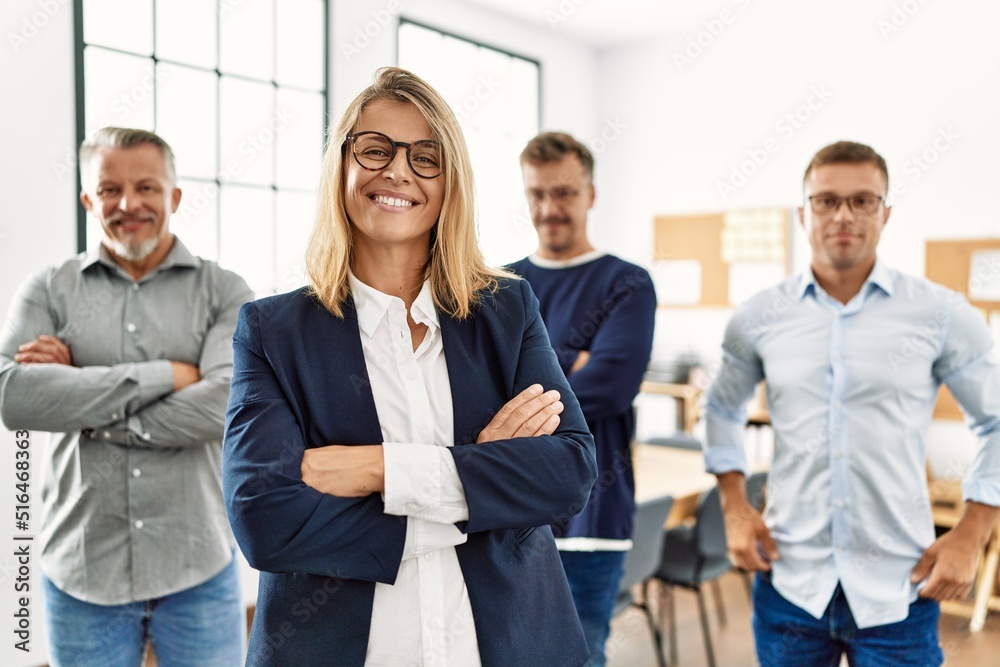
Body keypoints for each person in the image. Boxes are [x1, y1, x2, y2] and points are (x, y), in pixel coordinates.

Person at [222, 67, 598, 667]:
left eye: (426, 156)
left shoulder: (506, 309)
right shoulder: (273, 331)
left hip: (510, 646)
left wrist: (378, 469)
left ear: (451, 183)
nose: (397, 170)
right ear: (341, 165)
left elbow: (568, 473)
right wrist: (480, 477)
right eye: (375, 149)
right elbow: (264, 519)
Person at [704, 140, 1000, 666]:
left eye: (862, 200)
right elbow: (723, 409)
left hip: (900, 588)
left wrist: (972, 532)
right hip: (789, 582)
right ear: (804, 213)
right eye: (826, 200)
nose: (843, 214)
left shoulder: (941, 314)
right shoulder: (758, 315)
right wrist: (734, 507)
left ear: (885, 213)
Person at [0, 127, 253, 666]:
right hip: (82, 569)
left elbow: (225, 404)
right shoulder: (47, 289)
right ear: (89, 199)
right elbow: (14, 397)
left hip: (198, 566)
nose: (128, 204)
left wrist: (82, 399)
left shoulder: (225, 291)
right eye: (110, 189)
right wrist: (166, 373)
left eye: (146, 187)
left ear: (174, 197)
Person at [508, 132, 656, 665]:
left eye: (565, 193)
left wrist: (523, 381)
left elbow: (613, 384)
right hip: (508, 514)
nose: (550, 208)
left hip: (591, 518)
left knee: (578, 656)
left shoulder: (627, 283)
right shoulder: (500, 285)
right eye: (538, 194)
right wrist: (574, 359)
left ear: (591, 194)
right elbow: (474, 390)